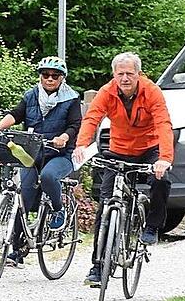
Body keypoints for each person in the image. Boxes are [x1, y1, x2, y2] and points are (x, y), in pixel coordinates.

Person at [73, 52, 173, 286]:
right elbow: (91, 118)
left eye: (130, 73)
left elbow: (163, 123)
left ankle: (152, 225)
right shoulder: (107, 92)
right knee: (105, 204)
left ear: (138, 74)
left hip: (149, 147)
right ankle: (97, 266)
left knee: (161, 180)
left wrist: (164, 158)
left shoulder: (151, 92)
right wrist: (81, 145)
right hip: (118, 148)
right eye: (121, 74)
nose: (125, 78)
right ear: (114, 75)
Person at [0, 56, 81, 267]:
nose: (49, 79)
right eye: (45, 75)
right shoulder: (31, 95)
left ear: (62, 78)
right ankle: (17, 251)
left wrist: (63, 138)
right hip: (32, 154)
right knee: (24, 197)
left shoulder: (71, 99)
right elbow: (16, 114)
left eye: (54, 76)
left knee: (48, 176)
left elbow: (75, 125)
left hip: (59, 155)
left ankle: (58, 210)